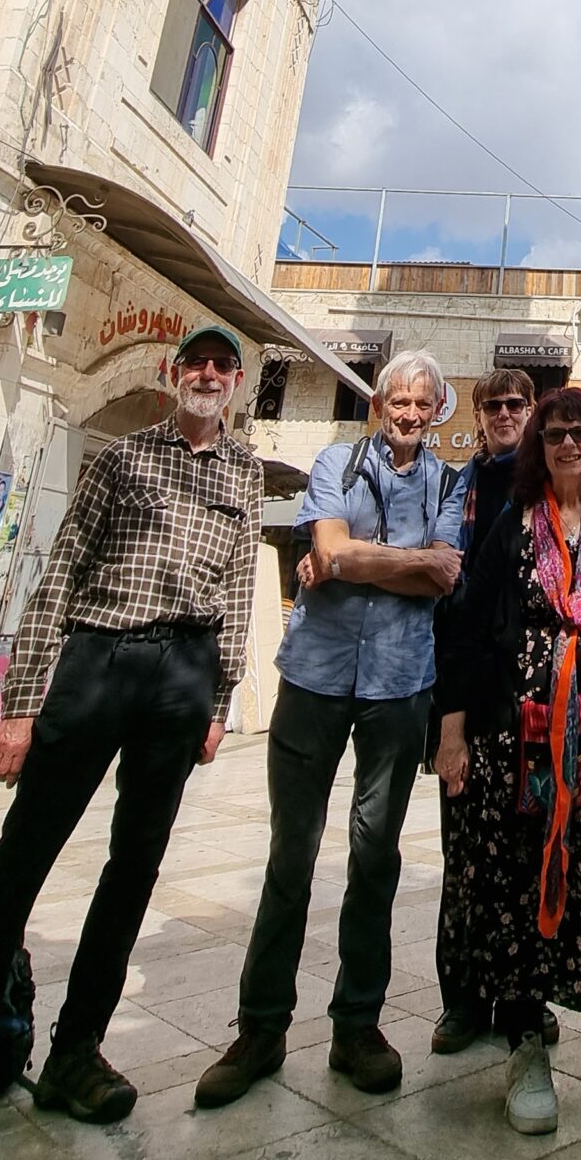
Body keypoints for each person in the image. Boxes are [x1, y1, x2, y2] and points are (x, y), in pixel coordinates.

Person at [0, 325, 260, 1124]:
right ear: (171, 373)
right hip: (97, 660)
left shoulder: (244, 473)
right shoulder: (123, 458)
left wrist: (218, 702)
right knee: (26, 849)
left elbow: (240, 592)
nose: (208, 375)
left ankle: (77, 1052)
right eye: (197, 364)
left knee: (134, 865)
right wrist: (21, 706)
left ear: (238, 383)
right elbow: (62, 570)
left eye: (222, 366)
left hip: (181, 674)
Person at [195, 351, 462, 1108]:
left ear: (437, 409)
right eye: (398, 401)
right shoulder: (335, 461)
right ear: (379, 402)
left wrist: (350, 561)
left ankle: (357, 1026)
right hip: (315, 675)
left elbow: (443, 574)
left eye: (422, 403)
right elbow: (328, 549)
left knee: (375, 856)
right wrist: (372, 560)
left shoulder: (449, 481)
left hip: (400, 684)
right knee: (291, 852)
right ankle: (260, 1027)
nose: (409, 414)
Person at [435, 387, 581, 1131]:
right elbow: (469, 631)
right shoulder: (513, 526)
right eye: (556, 433)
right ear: (539, 446)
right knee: (519, 875)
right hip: (517, 740)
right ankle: (526, 1043)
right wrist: (450, 733)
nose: (569, 443)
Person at [429, 366, 539, 1053]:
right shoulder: (459, 488)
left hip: (532, 697)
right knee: (463, 852)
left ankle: (523, 997)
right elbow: (453, 605)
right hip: (469, 689)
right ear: (478, 413)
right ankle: (463, 1000)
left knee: (530, 851)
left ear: (532, 410)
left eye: (515, 403)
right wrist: (450, 724)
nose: (504, 413)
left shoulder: (554, 493)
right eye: (493, 404)